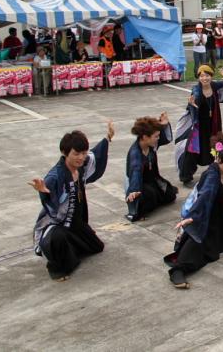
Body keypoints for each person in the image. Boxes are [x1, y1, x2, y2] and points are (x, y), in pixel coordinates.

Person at [29, 122, 114, 281]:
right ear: (64, 152)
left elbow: (96, 154)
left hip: (75, 222)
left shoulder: (81, 166)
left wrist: (108, 138)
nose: (81, 157)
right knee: (59, 241)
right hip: (57, 224)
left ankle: (69, 247)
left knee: (97, 247)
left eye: (83, 152)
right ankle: (55, 267)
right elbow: (51, 207)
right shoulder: (55, 176)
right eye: (76, 153)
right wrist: (44, 193)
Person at [165, 133, 223, 289]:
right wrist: (193, 217)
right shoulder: (211, 175)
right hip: (204, 216)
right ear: (217, 159)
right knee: (198, 242)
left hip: (220, 217)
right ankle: (178, 271)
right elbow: (205, 196)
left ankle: (211, 244)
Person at [174, 65, 223, 187]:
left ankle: (215, 171)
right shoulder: (196, 90)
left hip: (213, 124)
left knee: (215, 147)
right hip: (198, 125)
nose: (204, 78)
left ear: (211, 76)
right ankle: (186, 177)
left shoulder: (215, 86)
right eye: (202, 76)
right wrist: (192, 104)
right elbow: (193, 103)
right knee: (192, 149)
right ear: (198, 77)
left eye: (207, 75)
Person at [125, 113, 178, 222]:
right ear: (145, 137)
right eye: (156, 136)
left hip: (153, 180)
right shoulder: (135, 154)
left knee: (170, 194)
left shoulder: (151, 145)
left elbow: (165, 139)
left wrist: (164, 124)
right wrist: (134, 190)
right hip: (140, 184)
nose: (158, 139)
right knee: (150, 196)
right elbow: (136, 172)